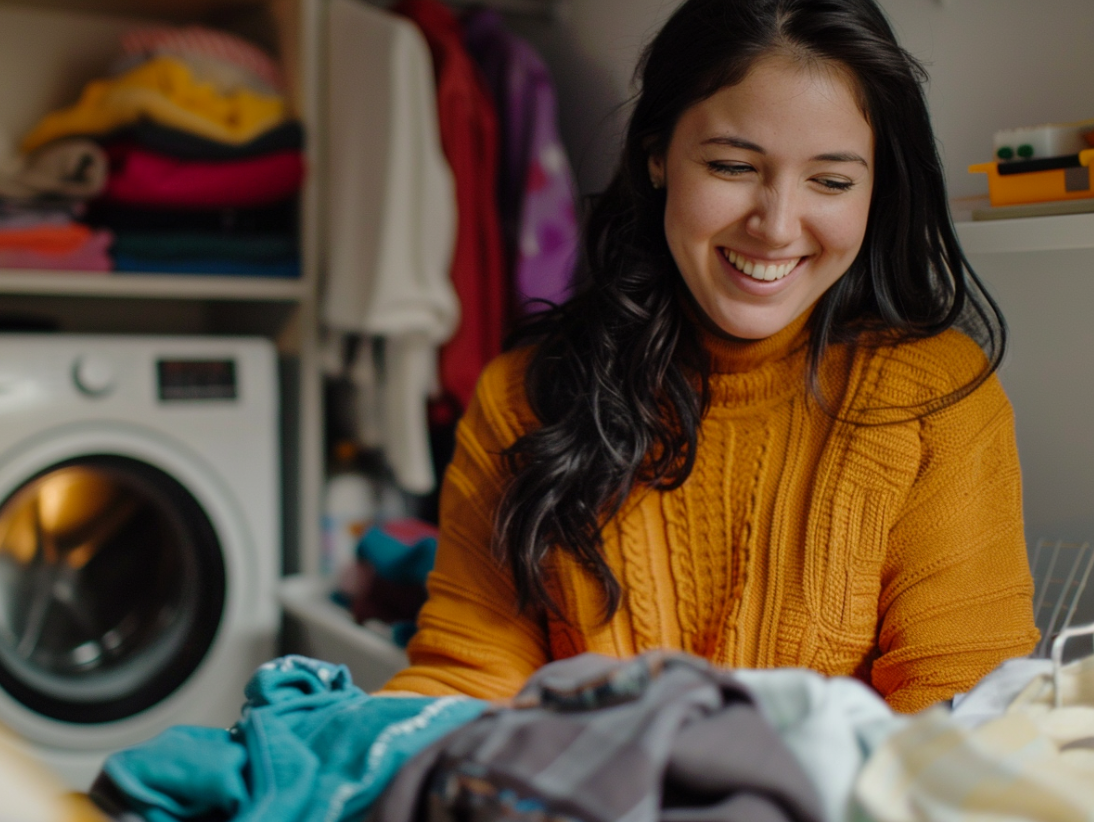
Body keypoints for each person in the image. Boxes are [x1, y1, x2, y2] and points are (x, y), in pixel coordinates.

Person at [380, 0, 1040, 713]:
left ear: (877, 190)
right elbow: (465, 683)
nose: (777, 226)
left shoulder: (935, 400)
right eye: (732, 166)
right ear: (656, 155)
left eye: (832, 181)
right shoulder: (525, 397)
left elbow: (966, 719)